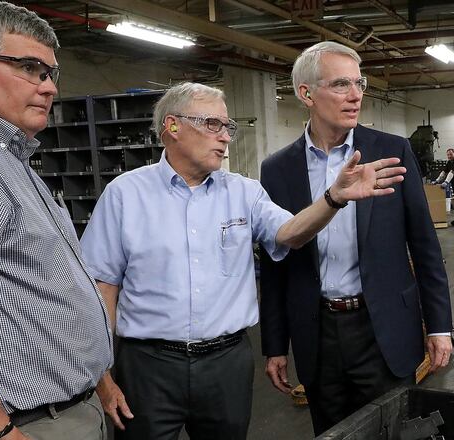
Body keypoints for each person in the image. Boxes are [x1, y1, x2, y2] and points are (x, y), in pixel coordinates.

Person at [78, 81, 404, 440]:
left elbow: (290, 233)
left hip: (226, 365)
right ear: (172, 126)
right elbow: (102, 287)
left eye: (227, 127)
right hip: (147, 367)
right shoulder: (125, 195)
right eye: (213, 125)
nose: (225, 137)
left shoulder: (244, 192)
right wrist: (103, 377)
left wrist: (333, 199)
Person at [0, 1, 112, 440]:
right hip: (26, 424)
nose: (48, 87)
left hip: (66, 410)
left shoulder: (4, 155)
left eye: (50, 73)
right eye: (31, 68)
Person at [259, 41, 454, 436]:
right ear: (306, 94)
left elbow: (424, 246)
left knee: (393, 429)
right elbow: (275, 263)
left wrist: (439, 326)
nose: (355, 95)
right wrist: (276, 344)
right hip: (317, 333)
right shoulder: (278, 169)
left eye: (359, 83)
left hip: (382, 327)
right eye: (341, 84)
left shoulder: (391, 151)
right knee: (331, 432)